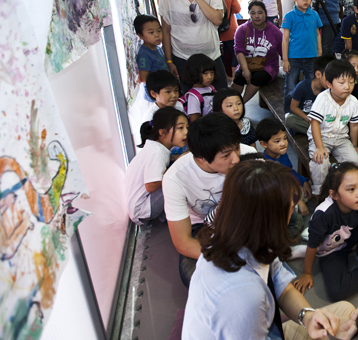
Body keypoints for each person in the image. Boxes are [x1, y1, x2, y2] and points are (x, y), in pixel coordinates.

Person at [181, 161, 358, 340]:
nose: (292, 214)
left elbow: (280, 282)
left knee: (343, 312)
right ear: (269, 220)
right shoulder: (240, 296)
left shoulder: (244, 240)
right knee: (341, 334)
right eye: (289, 208)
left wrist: (307, 316)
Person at [162, 113, 255, 287]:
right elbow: (183, 242)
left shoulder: (250, 156)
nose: (236, 159)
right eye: (226, 156)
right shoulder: (175, 178)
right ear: (201, 158)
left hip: (242, 218)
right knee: (193, 276)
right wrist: (228, 258)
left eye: (237, 148)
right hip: (204, 228)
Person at [293, 163, 358, 301]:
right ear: (334, 194)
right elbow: (313, 246)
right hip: (331, 250)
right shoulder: (323, 214)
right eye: (351, 189)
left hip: (347, 238)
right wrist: (307, 273)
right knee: (337, 292)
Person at [159, 0, 227, 91]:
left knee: (221, 100)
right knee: (192, 104)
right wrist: (169, 61)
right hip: (183, 60)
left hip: (212, 57)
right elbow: (165, 31)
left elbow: (217, 19)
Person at [308, 59, 358, 194]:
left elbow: (354, 125)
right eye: (341, 83)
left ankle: (343, 188)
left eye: (351, 82)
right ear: (329, 84)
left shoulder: (353, 101)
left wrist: (355, 145)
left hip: (341, 138)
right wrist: (319, 147)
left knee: (355, 163)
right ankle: (320, 193)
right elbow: (314, 123)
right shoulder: (323, 99)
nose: (347, 86)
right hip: (321, 137)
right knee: (320, 162)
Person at [125, 107, 188, 225]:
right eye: (180, 128)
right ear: (162, 132)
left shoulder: (156, 147)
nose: (186, 132)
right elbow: (151, 185)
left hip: (143, 206)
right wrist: (178, 164)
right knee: (181, 176)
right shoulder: (156, 152)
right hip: (143, 211)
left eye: (186, 127)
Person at [256, 118, 311, 240]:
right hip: (277, 196)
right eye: (277, 141)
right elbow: (277, 189)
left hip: (287, 187)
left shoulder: (282, 154)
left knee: (308, 188)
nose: (283, 143)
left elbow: (289, 171)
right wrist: (298, 201)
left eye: (285, 138)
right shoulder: (265, 164)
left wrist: (303, 180)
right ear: (264, 144)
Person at [282, 0, 323, 109]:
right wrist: (285, 60)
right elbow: (285, 39)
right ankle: (289, 110)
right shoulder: (289, 16)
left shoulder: (314, 14)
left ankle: (309, 108)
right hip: (294, 57)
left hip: (311, 56)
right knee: (291, 85)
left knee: (312, 83)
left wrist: (320, 51)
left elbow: (317, 34)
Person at [232, 0, 283, 105]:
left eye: (260, 12)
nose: (257, 16)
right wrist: (245, 70)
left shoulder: (275, 31)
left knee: (258, 77)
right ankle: (230, 103)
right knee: (239, 77)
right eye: (253, 13)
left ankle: (240, 104)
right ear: (249, 14)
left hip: (268, 66)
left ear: (265, 13)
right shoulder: (241, 30)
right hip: (248, 63)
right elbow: (239, 51)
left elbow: (283, 51)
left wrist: (288, 64)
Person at [285, 54, 333, 135]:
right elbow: (293, 108)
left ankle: (316, 132)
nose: (332, 81)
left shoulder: (330, 89)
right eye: (329, 77)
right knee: (290, 120)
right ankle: (320, 133)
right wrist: (308, 120)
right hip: (304, 116)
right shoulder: (302, 86)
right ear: (318, 74)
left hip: (319, 117)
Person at [212, 0, 242, 80]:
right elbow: (237, 9)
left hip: (218, 28)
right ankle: (234, 76)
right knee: (237, 52)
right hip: (230, 28)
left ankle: (225, 74)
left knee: (223, 53)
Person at [134, 14, 166, 88]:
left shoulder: (158, 48)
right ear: (140, 35)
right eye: (151, 32)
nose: (157, 35)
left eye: (159, 31)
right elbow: (144, 78)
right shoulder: (144, 54)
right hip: (157, 90)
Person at [183, 54, 216, 122]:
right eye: (205, 73)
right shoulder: (193, 96)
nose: (210, 77)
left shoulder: (211, 88)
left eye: (212, 73)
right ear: (194, 73)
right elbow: (194, 120)